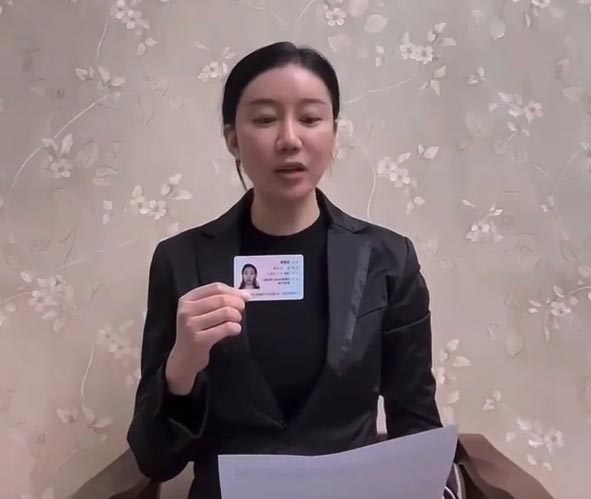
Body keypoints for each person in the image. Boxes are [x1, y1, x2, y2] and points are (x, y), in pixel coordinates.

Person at [127, 41, 448, 499]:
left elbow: (416, 426)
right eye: (264, 119)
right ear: (232, 138)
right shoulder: (181, 260)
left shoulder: (388, 259)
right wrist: (180, 370)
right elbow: (155, 460)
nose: (289, 139)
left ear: (334, 133)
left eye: (310, 118)